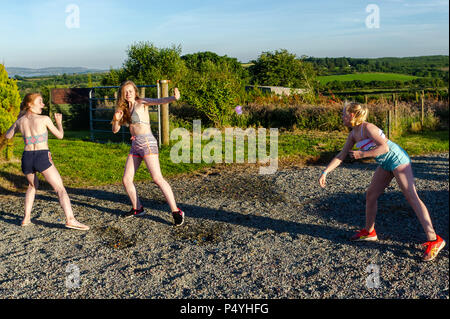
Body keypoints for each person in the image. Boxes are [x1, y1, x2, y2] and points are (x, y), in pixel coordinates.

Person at [318, 102, 445, 262]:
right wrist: (325, 172)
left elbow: (384, 148)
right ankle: (369, 232)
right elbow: (341, 155)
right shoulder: (353, 134)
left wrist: (361, 154)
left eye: (343, 113)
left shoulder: (368, 128)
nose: (341, 117)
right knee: (371, 195)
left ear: (352, 115)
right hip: (385, 163)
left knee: (412, 197)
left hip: (398, 159)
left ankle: (434, 240)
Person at [5, 93, 89, 230]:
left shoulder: (20, 121)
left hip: (27, 157)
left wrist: (18, 120)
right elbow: (60, 136)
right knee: (60, 189)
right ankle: (70, 219)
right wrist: (59, 123)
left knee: (32, 186)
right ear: (30, 104)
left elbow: (8, 136)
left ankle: (26, 218)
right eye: (40, 102)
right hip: (41, 156)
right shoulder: (44, 119)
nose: (43, 105)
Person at [111, 80, 184, 226]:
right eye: (125, 91)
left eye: (130, 90)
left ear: (135, 91)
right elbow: (115, 130)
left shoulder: (141, 102)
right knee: (126, 179)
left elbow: (159, 101)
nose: (128, 93)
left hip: (147, 143)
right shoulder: (123, 109)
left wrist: (173, 98)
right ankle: (137, 208)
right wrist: (116, 119)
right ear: (122, 94)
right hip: (135, 145)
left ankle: (176, 211)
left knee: (157, 178)